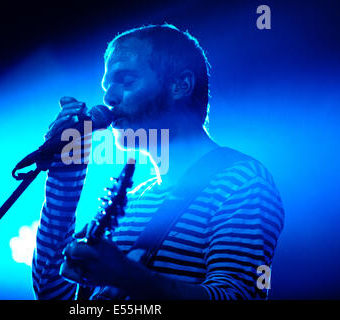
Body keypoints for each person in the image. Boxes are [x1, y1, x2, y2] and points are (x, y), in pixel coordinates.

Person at [31, 24, 284, 300]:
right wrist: (64, 181)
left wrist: (127, 275)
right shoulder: (135, 198)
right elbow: (55, 294)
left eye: (126, 81)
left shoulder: (243, 182)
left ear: (180, 85)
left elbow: (237, 297)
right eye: (107, 86)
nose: (108, 98)